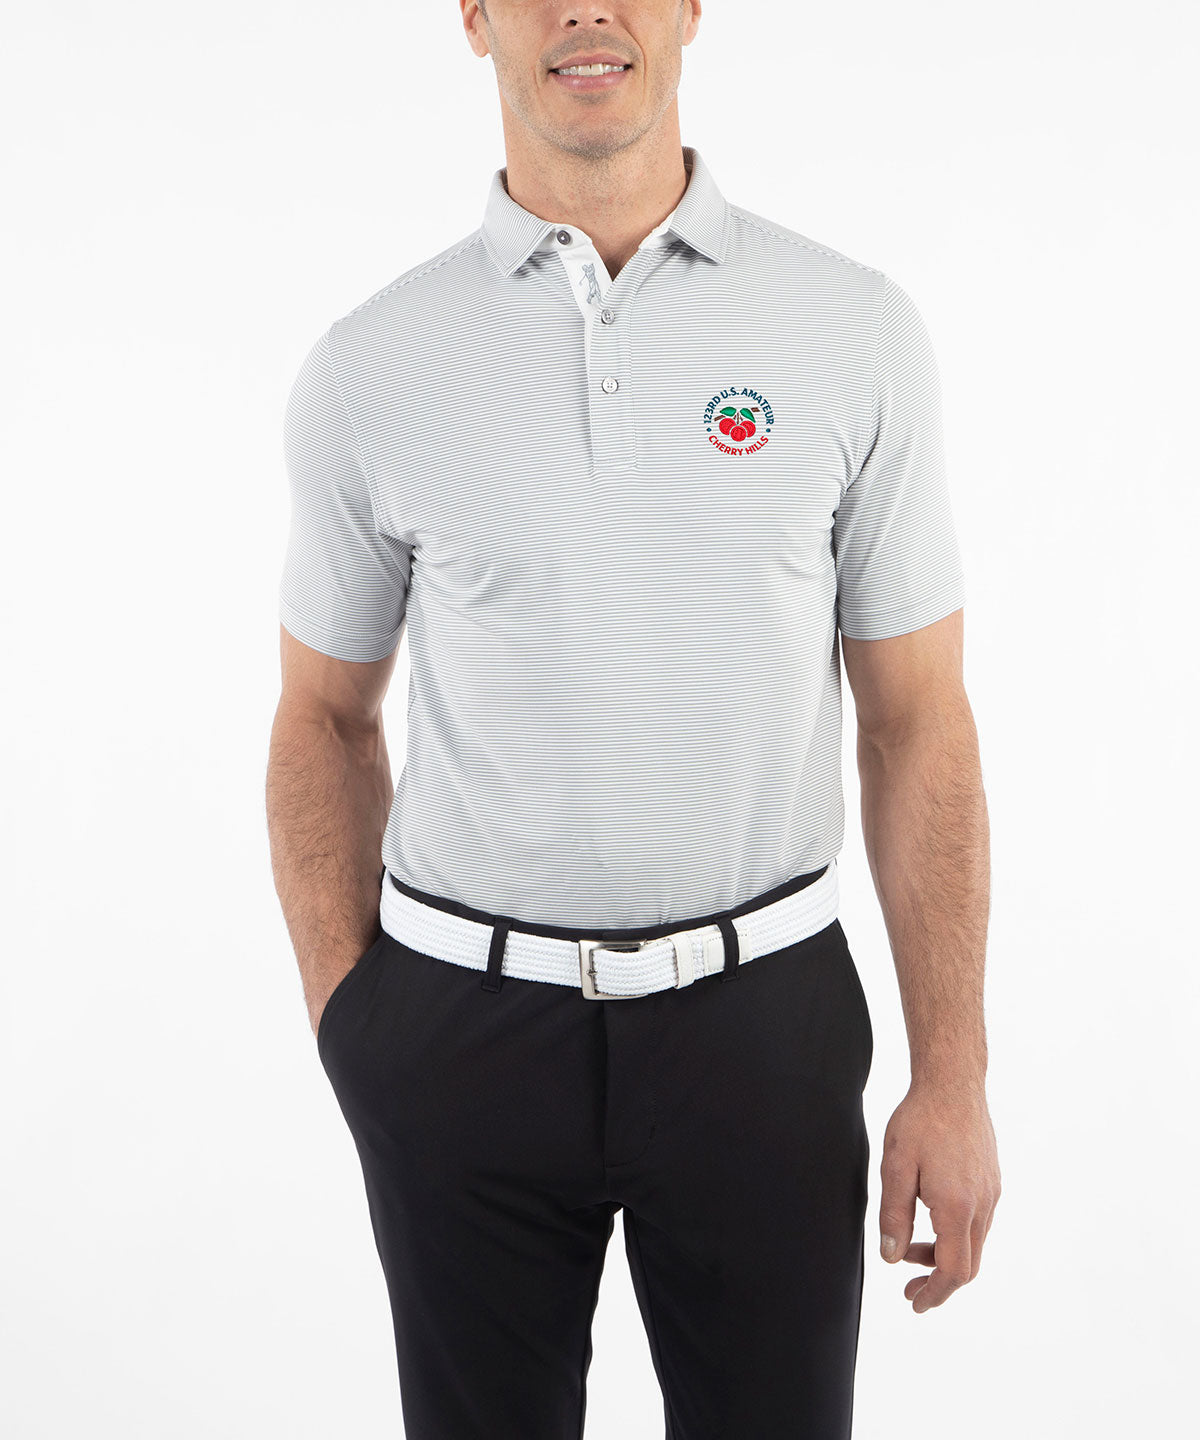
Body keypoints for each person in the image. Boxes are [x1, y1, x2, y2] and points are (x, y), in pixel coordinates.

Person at [266, 2, 1001, 1435]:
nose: (587, 11)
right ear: (475, 16)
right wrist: (354, 1021)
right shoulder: (370, 364)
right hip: (458, 1038)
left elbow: (919, 722)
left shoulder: (850, 328)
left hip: (762, 1030)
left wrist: (954, 1074)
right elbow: (322, 717)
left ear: (690, 9)